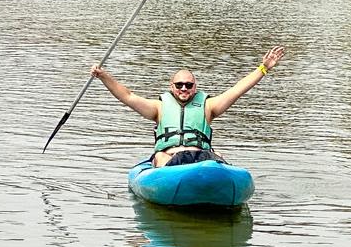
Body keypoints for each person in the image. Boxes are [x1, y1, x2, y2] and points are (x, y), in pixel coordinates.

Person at [91, 46, 285, 167]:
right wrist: (104, 76)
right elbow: (127, 96)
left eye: (189, 85)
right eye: (179, 85)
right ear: (172, 87)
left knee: (218, 156)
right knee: (159, 157)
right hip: (171, 158)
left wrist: (263, 68)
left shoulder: (208, 106)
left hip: (201, 156)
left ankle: (218, 181)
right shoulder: (158, 107)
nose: (184, 88)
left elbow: (237, 90)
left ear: (195, 88)